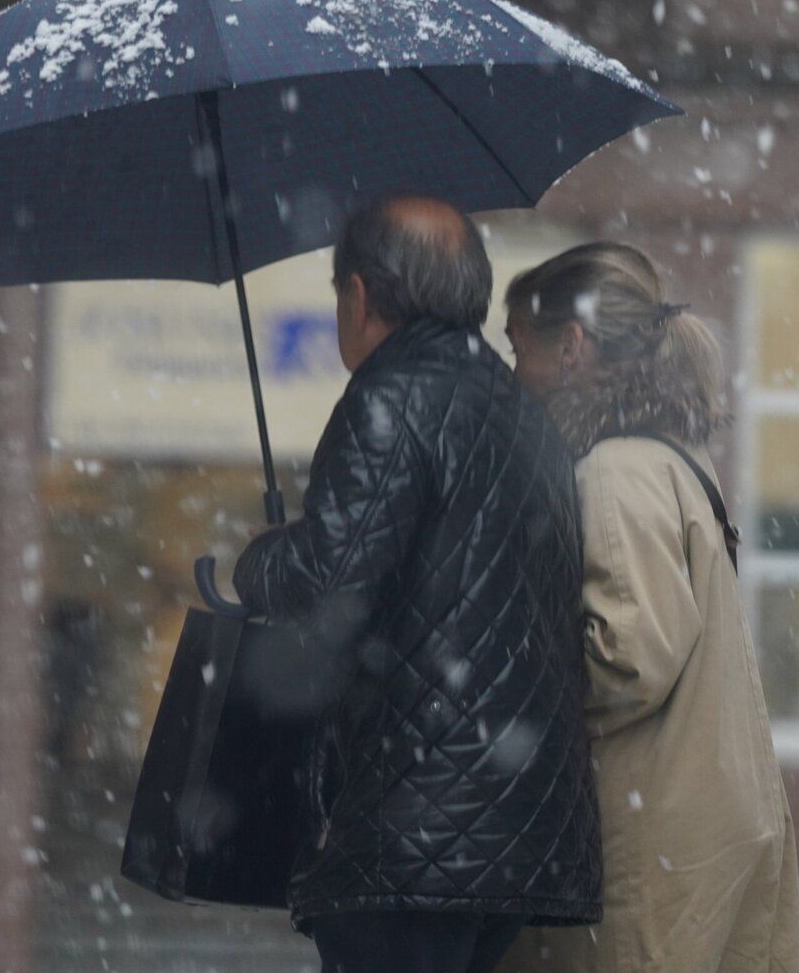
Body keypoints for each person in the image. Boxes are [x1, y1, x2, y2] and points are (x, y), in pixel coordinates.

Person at [231, 195, 602, 973]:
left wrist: (257, 560)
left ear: (359, 296)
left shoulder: (392, 396)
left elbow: (330, 577)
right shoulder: (521, 414)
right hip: (516, 827)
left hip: (413, 830)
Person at [499, 242, 799, 973]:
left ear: (570, 346)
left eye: (519, 350)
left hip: (649, 846)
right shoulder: (669, 460)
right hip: (702, 828)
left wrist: (500, 701)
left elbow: (626, 661)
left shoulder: (613, 472)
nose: (514, 375)